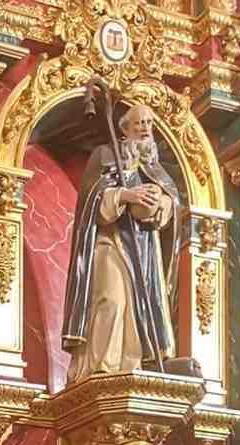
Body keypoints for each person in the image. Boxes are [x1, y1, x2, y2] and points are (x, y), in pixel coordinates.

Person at [62, 103, 181, 384]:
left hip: (145, 250)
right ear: (124, 128)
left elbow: (171, 209)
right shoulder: (105, 155)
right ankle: (102, 368)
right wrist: (125, 196)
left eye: (149, 123)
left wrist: (160, 201)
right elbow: (91, 202)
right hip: (110, 242)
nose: (144, 128)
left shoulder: (155, 168)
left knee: (138, 310)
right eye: (138, 122)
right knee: (112, 300)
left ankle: (132, 367)